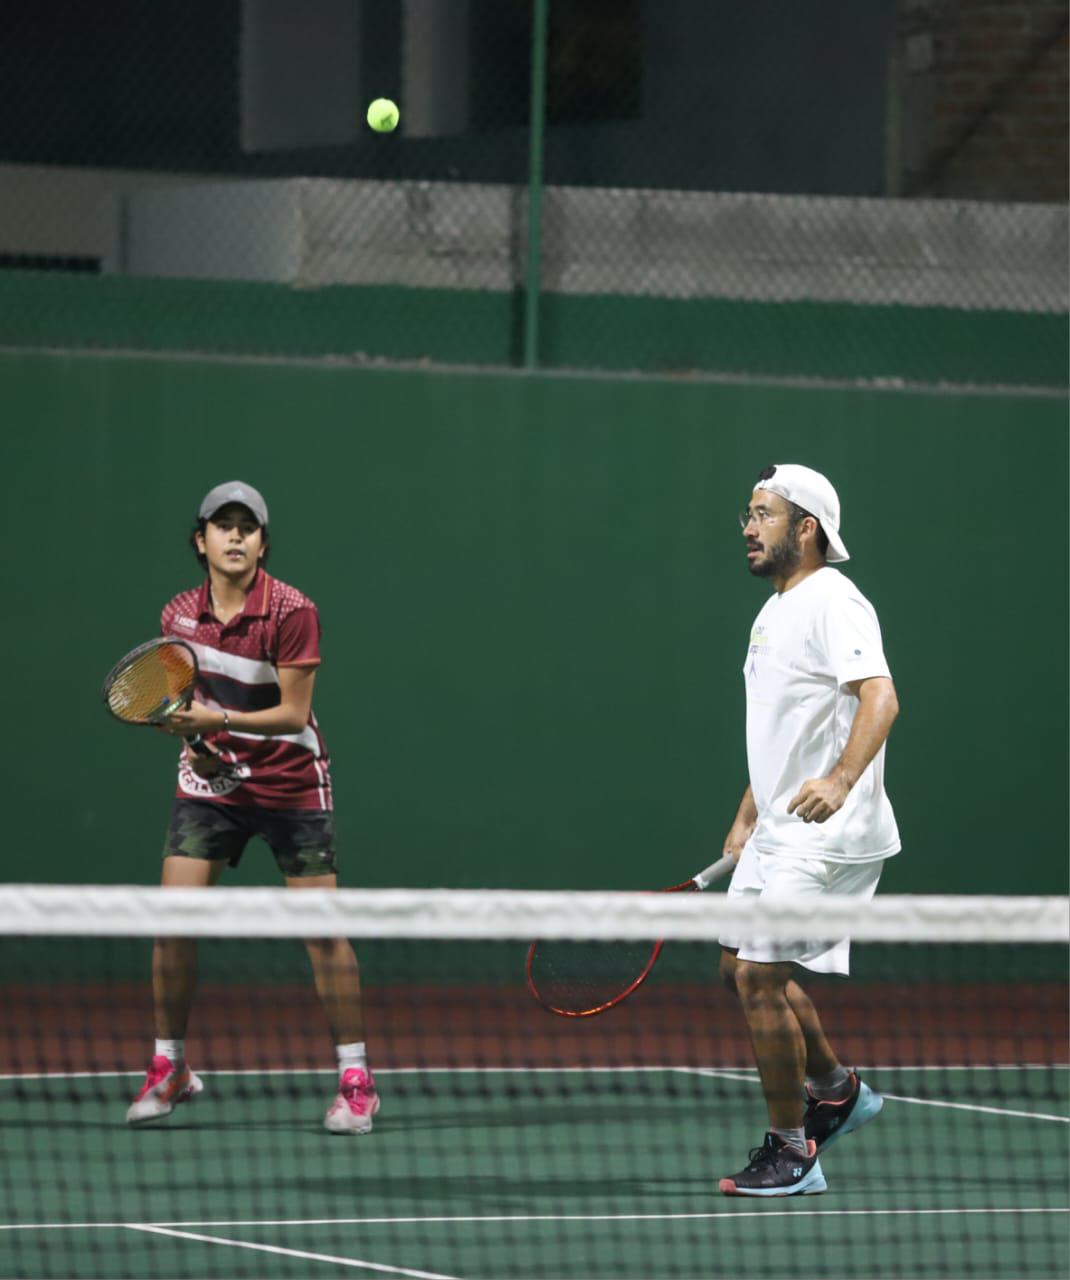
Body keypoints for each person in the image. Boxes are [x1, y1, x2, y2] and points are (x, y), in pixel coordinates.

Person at [125, 480, 378, 1136]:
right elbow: (182, 710)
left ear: (263, 542)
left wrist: (219, 718)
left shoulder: (293, 611)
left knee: (321, 933)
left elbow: (293, 713)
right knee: (172, 927)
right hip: (212, 783)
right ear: (200, 541)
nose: (235, 536)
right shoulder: (177, 615)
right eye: (223, 525)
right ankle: (169, 1067)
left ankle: (356, 1081)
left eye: (248, 526)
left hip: (292, 783)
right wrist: (201, 746)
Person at [717, 464, 900, 1197]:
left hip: (830, 832)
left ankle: (793, 1151)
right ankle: (837, 1088)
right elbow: (785, 730)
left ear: (807, 529)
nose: (748, 527)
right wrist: (747, 812)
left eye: (763, 514)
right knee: (738, 970)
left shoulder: (834, 602)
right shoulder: (774, 610)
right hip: (777, 828)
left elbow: (880, 700)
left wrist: (840, 780)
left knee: (762, 976)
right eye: (748, 514)